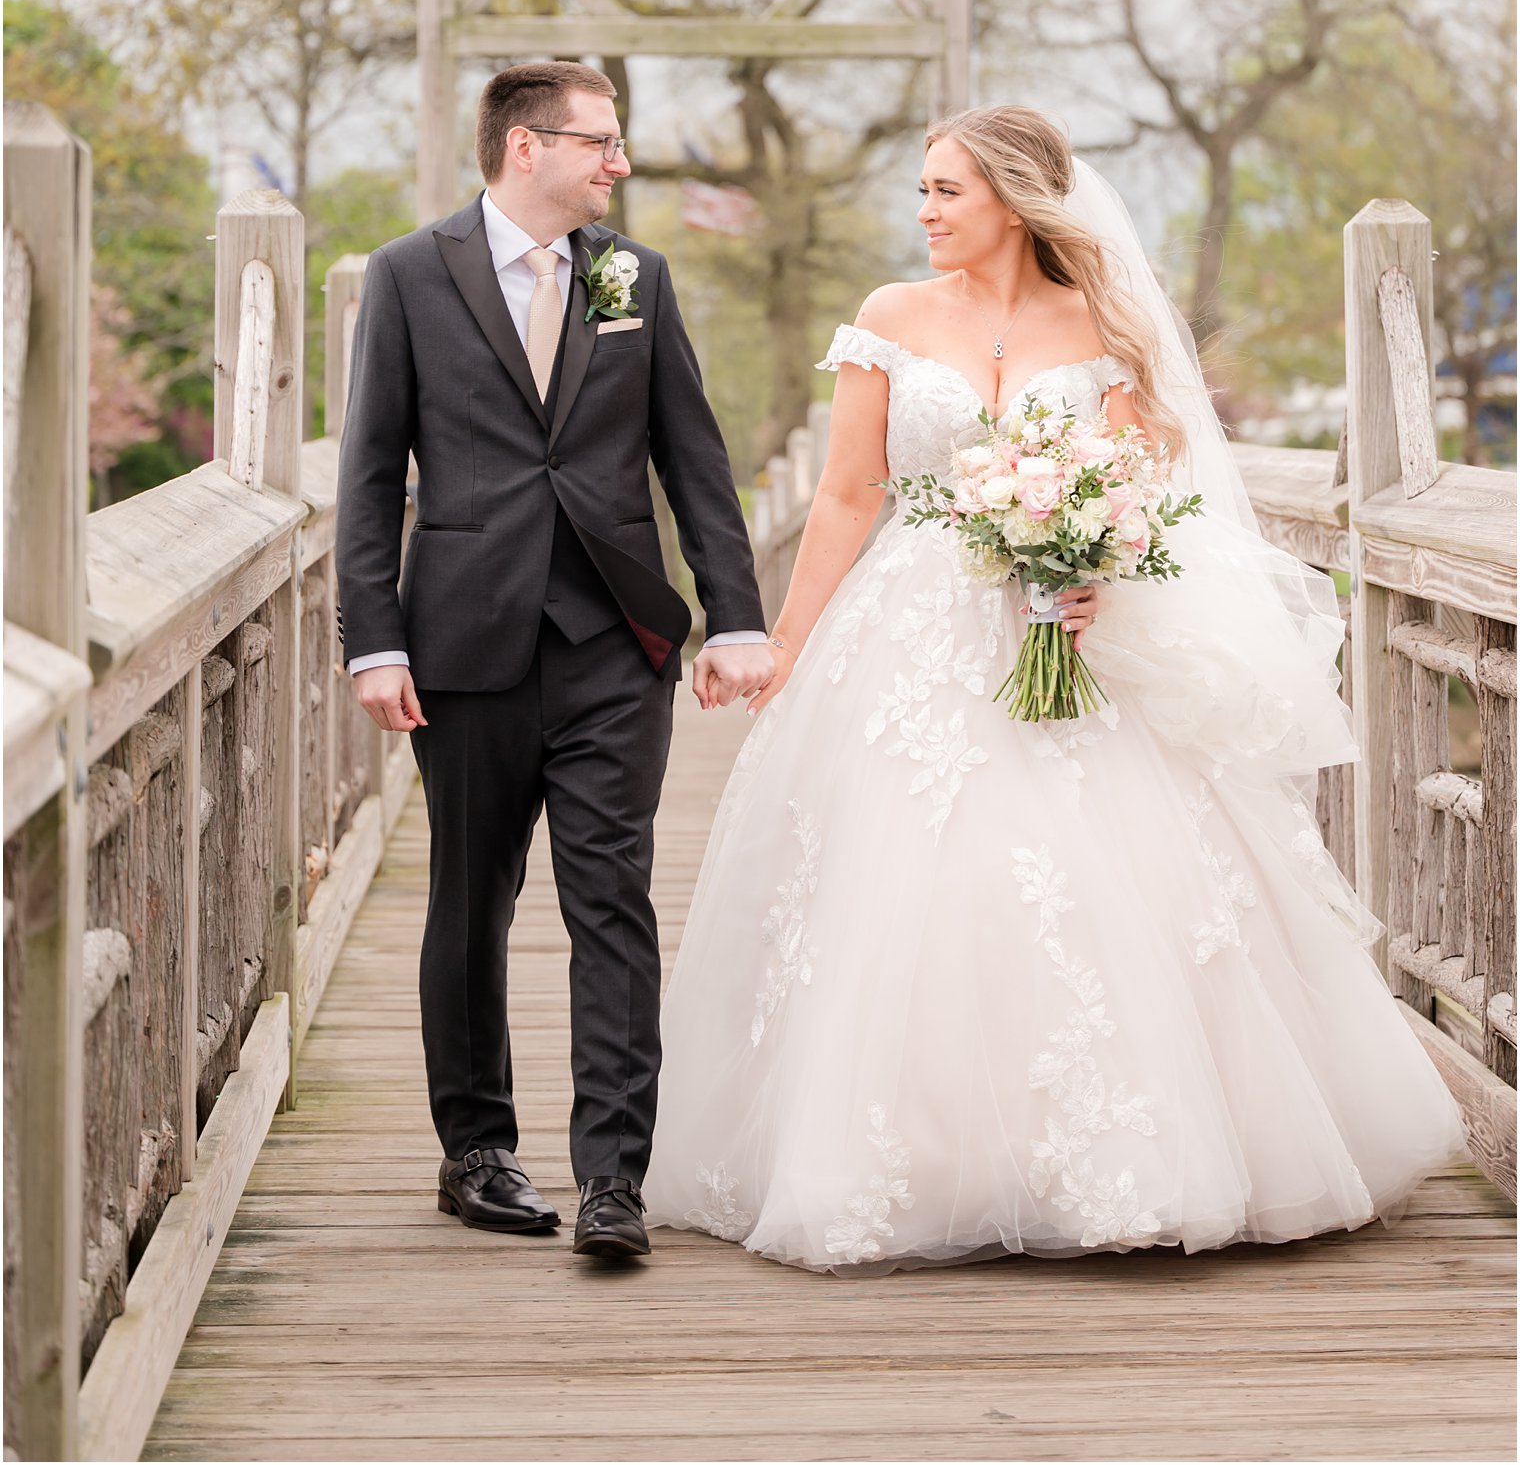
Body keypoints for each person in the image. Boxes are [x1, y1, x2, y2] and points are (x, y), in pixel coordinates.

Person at [644, 104, 1466, 1270]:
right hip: (911, 628)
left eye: (944, 191)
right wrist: (786, 641)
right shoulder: (888, 318)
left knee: (1100, 879)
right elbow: (843, 494)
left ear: (1016, 201)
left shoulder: (1099, 323)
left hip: (1063, 633)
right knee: (913, 878)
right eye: (921, 189)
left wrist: (1100, 577)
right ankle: (927, 1155)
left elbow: (1147, 493)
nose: (922, 212)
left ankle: (1128, 1154)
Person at [335, 62, 773, 1258]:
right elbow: (370, 474)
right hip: (460, 643)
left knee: (610, 901)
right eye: (600, 142)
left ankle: (613, 1178)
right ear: (524, 147)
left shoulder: (636, 275)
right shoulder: (409, 274)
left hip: (612, 642)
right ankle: (475, 1150)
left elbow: (694, 457)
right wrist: (370, 637)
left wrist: (732, 616)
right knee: (469, 903)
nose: (619, 163)